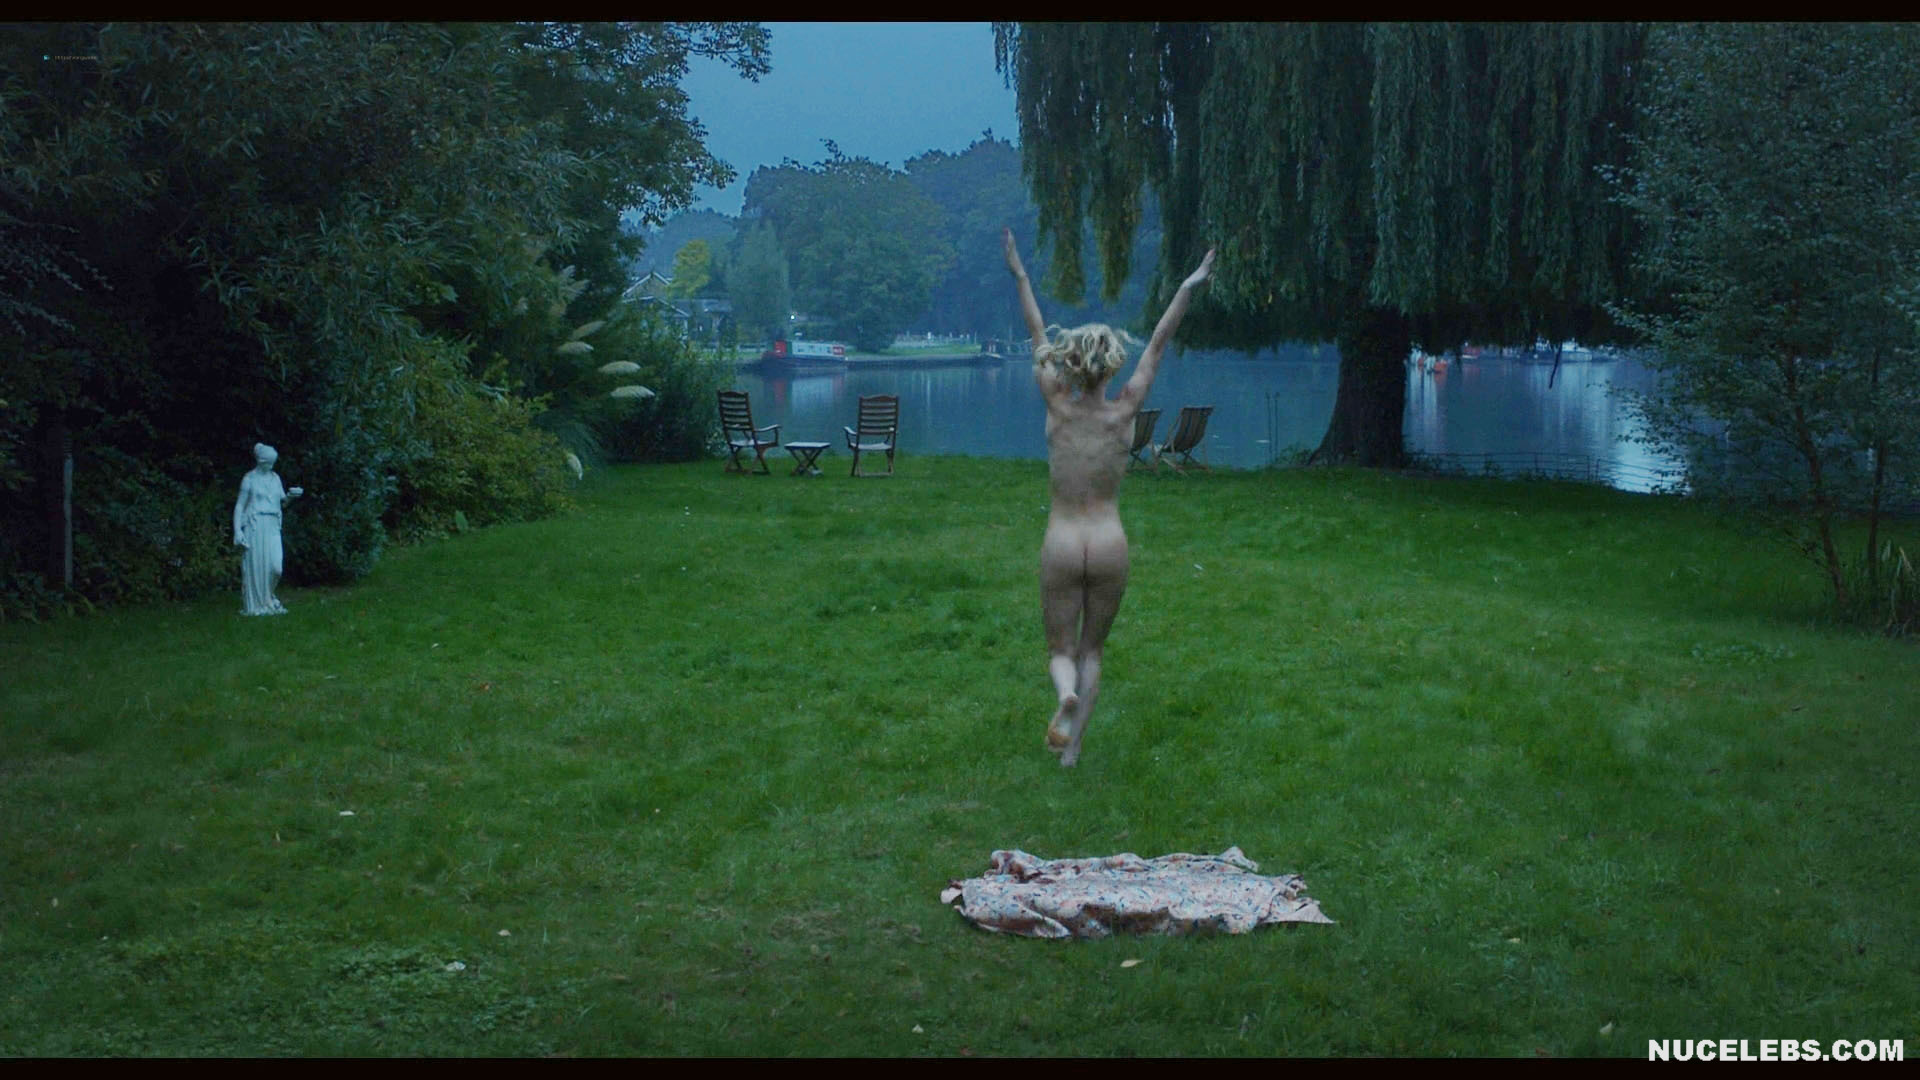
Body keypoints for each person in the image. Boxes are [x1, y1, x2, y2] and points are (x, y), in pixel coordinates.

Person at [1003, 228, 1215, 766]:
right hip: (1108, 543)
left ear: (1071, 362)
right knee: (1092, 649)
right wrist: (1188, 285)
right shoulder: (1125, 410)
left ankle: (1064, 693)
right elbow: (1159, 343)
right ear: (1111, 364)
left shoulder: (1056, 404)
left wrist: (1021, 274)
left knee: (1061, 649)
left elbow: (1035, 330)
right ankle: (1072, 752)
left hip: (1062, 539)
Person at [233, 442, 304, 616]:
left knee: (276, 567)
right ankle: (258, 604)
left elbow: (282, 503)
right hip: (255, 525)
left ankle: (268, 597)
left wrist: (291, 496)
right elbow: (240, 506)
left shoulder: (275, 478)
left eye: (273, 463)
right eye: (269, 463)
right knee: (257, 567)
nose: (272, 466)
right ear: (261, 461)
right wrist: (238, 530)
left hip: (272, 525)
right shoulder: (249, 479)